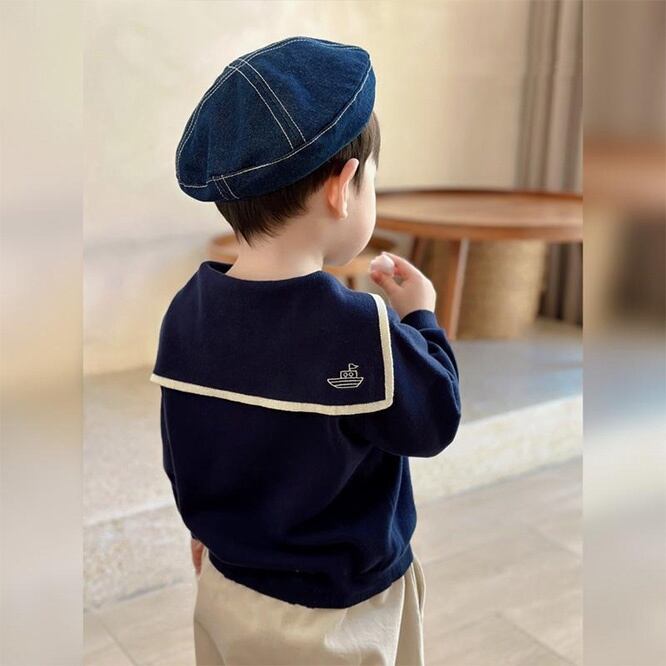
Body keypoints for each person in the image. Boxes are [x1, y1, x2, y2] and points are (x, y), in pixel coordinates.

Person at [151, 35, 462, 665]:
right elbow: (435, 420)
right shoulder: (361, 329)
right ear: (342, 188)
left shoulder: (187, 312)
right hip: (345, 615)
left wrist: (203, 530)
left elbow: (182, 446)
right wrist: (423, 319)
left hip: (229, 589)